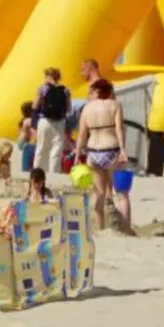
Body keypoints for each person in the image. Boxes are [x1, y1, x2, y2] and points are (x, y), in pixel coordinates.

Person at [75, 78, 134, 234]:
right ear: (108, 92)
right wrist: (123, 149)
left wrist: (76, 156)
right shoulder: (115, 105)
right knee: (122, 194)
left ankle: (100, 229)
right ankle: (126, 229)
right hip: (111, 150)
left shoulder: (86, 108)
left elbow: (81, 134)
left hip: (93, 152)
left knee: (98, 194)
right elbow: (119, 129)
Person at [31, 67, 71, 175]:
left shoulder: (43, 88)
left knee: (41, 147)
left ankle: (37, 172)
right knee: (57, 148)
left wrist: (33, 122)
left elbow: (35, 105)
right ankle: (54, 173)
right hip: (60, 122)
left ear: (48, 76)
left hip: (45, 120)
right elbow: (68, 109)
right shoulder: (65, 90)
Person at [16, 101, 36, 173]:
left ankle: (26, 167)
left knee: (28, 152)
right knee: (30, 151)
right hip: (24, 141)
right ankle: (27, 168)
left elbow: (19, 131)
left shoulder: (23, 120)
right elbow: (33, 131)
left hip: (20, 140)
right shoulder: (29, 120)